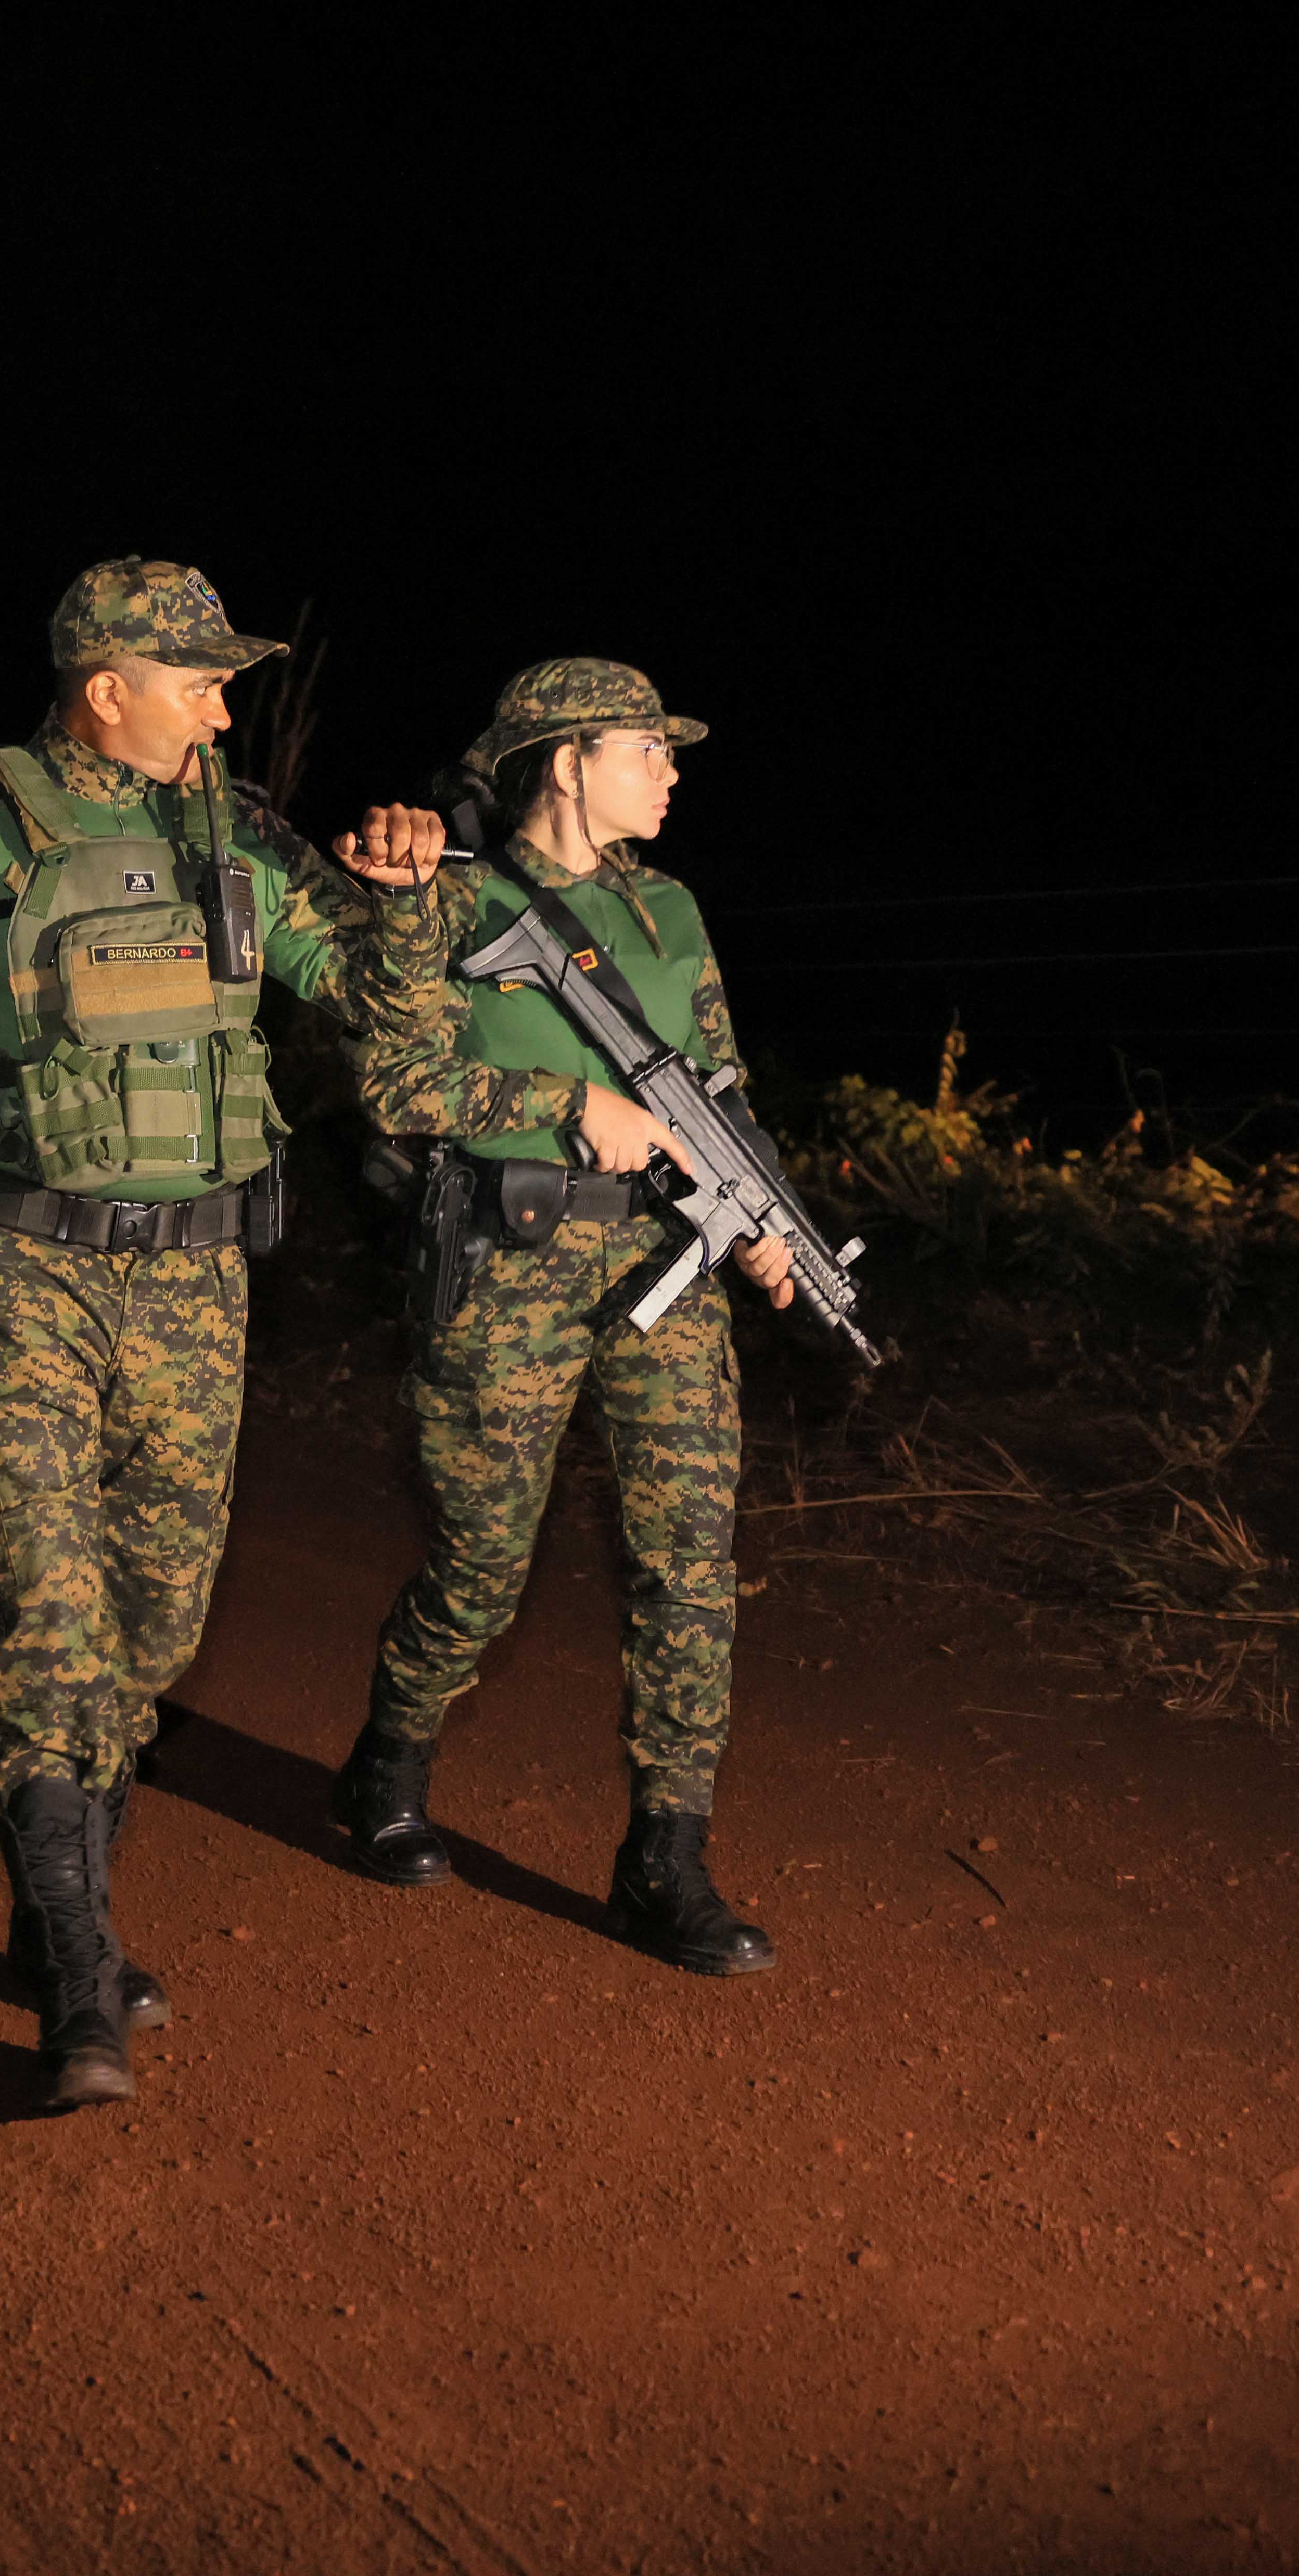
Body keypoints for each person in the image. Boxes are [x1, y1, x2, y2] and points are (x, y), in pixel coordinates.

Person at [0, 558, 444, 2108]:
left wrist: (403, 904)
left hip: (201, 1289)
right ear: (104, 686)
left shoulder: (238, 833)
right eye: (199, 681)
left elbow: (382, 1015)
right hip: (19, 1268)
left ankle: (48, 1896)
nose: (223, 708)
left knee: (150, 1633)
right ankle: (78, 1968)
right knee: (49, 1619)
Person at [329, 657, 797, 1977]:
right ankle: (386, 1763)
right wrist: (569, 1106)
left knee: (688, 1562)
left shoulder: (670, 907)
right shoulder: (449, 895)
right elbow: (402, 1080)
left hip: (665, 1263)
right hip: (508, 1264)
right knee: (482, 1563)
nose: (671, 771)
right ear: (567, 758)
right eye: (647, 748)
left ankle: (666, 1859)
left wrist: (764, 1217)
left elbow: (719, 1084)